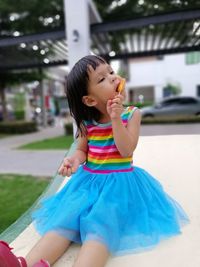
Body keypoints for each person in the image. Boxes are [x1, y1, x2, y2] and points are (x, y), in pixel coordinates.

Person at [0, 55, 189, 267]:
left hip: (118, 187)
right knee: (64, 222)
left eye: (110, 72)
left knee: (100, 227)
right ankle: (23, 264)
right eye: (102, 79)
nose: (112, 77)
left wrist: (116, 118)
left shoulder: (131, 115)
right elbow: (82, 150)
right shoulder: (86, 124)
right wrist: (73, 160)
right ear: (90, 100)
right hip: (87, 184)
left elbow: (126, 150)